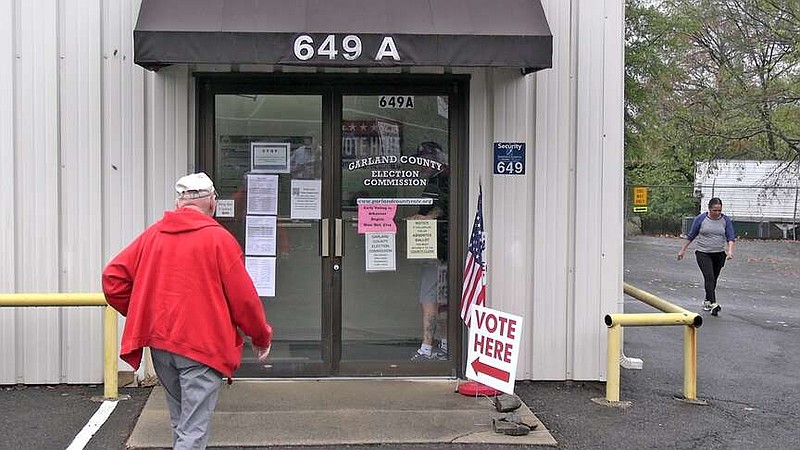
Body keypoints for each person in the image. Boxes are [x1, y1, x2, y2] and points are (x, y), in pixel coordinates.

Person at [102, 172, 273, 449]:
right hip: (202, 347)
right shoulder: (219, 240)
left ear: (179, 202)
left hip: (161, 343)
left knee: (181, 422)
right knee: (193, 430)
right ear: (212, 202)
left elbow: (113, 278)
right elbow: (244, 300)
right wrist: (261, 336)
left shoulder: (153, 235)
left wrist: (141, 312)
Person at [407, 142, 450, 361]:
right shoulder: (438, 179)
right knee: (441, 298)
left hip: (439, 249)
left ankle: (426, 349)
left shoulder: (443, 179)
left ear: (435, 159)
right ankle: (445, 345)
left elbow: (445, 204)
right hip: (441, 248)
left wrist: (428, 217)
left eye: (424, 159)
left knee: (430, 297)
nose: (419, 165)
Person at [677, 197, 735, 316]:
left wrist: (729, 251)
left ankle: (707, 301)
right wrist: (682, 250)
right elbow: (691, 235)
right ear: (709, 209)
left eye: (719, 210)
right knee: (709, 277)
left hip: (719, 254)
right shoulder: (701, 219)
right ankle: (714, 303)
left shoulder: (725, 220)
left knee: (714, 278)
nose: (717, 213)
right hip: (703, 253)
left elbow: (730, 237)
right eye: (715, 210)